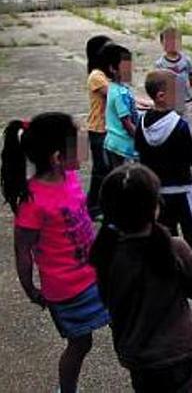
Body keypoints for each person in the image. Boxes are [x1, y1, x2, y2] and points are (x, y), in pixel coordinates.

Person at [1, 113, 110, 393]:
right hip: (67, 291)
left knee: (123, 322)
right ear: (57, 158)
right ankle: (66, 389)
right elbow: (22, 251)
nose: (85, 143)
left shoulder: (70, 176)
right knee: (80, 343)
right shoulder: (32, 202)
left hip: (97, 274)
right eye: (79, 141)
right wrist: (30, 288)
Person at [90, 164, 192, 392]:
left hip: (137, 355)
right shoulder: (175, 247)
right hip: (177, 350)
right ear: (155, 208)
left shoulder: (106, 253)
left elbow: (106, 300)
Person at [135, 70, 192, 276]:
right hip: (182, 186)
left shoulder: (142, 123)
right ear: (161, 96)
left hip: (157, 187)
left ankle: (166, 262)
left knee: (163, 228)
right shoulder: (179, 125)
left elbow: (139, 149)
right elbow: (190, 154)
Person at [155, 27, 192, 167]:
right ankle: (175, 155)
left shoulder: (186, 61)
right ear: (162, 44)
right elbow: (157, 84)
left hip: (187, 101)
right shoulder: (160, 64)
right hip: (170, 103)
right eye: (168, 41)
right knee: (171, 130)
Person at [85, 35, 113, 219]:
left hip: (106, 127)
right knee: (101, 170)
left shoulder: (104, 74)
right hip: (98, 128)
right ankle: (93, 207)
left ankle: (97, 206)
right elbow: (115, 95)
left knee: (105, 169)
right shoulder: (96, 76)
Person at [102, 43, 139, 168]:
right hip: (123, 146)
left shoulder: (113, 87)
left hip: (112, 142)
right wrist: (142, 140)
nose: (130, 70)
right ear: (113, 69)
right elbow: (127, 123)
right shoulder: (120, 94)